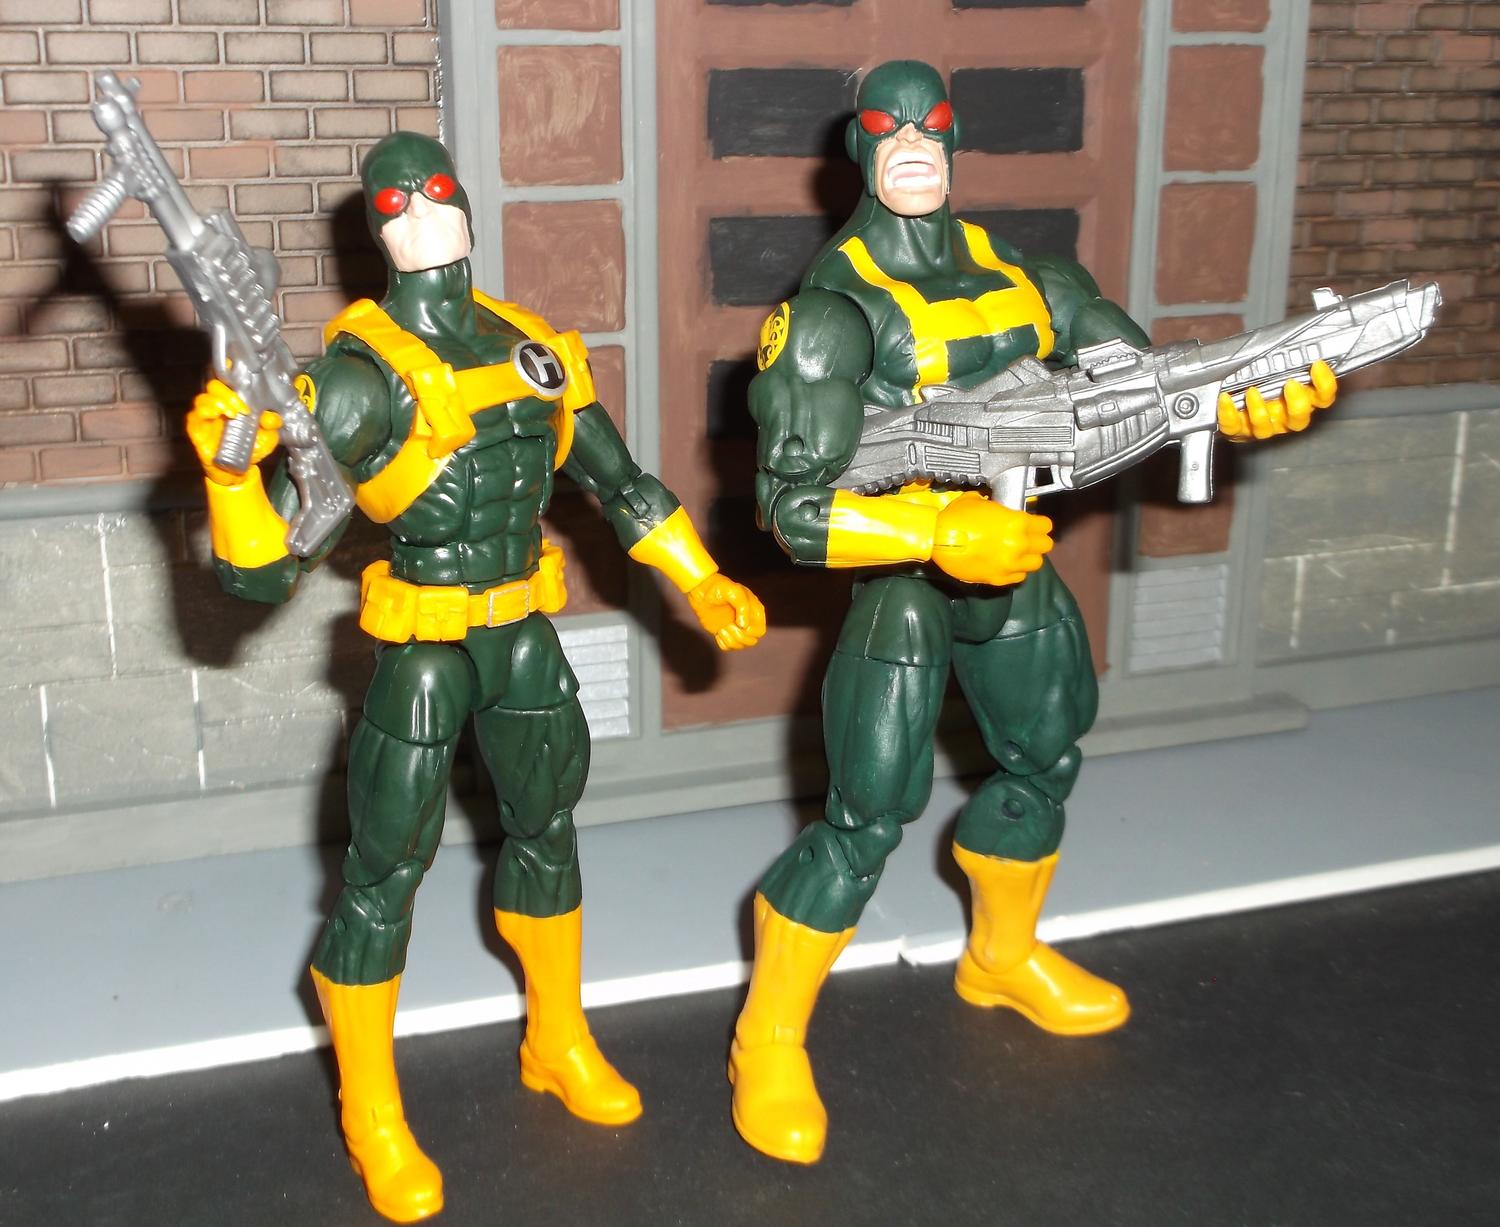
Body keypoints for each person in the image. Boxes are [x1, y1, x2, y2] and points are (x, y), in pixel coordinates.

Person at [731, 59, 1334, 1164]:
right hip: (906, 580)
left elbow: (1143, 389)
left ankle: (1000, 957)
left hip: (1014, 556)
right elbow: (789, 508)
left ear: (958, 142)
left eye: (932, 127)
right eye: (888, 128)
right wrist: (929, 531)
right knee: (867, 815)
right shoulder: (829, 314)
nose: (913, 146)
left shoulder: (1030, 279)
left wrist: (1238, 403)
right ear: (857, 148)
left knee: (1046, 756)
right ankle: (766, 1036)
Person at [187, 131, 766, 1222]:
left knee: (548, 829)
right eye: (392, 205)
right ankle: (372, 1111)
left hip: (523, 633)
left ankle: (557, 1035)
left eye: (434, 193)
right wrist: (227, 476)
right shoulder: (354, 382)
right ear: (374, 232)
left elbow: (618, 481)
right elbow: (262, 574)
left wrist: (700, 577)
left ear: (464, 204)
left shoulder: (529, 345)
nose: (417, 214)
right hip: (423, 648)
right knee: (383, 872)